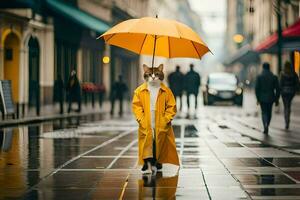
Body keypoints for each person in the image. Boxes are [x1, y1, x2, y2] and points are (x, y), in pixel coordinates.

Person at [132, 63, 179, 174]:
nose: (153, 77)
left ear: (161, 74)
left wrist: (166, 119)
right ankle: (147, 163)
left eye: (156, 74)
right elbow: (136, 106)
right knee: (147, 142)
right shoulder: (139, 91)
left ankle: (157, 161)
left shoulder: (166, 91)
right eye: (150, 74)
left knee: (159, 142)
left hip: (161, 121)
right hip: (146, 121)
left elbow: (172, 106)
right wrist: (141, 119)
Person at [255, 62, 280, 134]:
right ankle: (267, 124)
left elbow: (257, 88)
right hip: (271, 97)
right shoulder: (274, 77)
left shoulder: (259, 77)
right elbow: (277, 89)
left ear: (263, 68)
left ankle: (265, 125)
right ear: (269, 68)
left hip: (262, 98)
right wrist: (276, 99)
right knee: (269, 112)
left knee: (264, 112)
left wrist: (257, 98)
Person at [279, 61, 299, 130]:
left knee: (285, 106)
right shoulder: (293, 73)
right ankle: (288, 120)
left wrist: (280, 91)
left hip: (284, 93)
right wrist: (294, 90)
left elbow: (280, 84)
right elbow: (297, 83)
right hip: (291, 92)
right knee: (288, 105)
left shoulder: (282, 73)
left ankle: (286, 121)